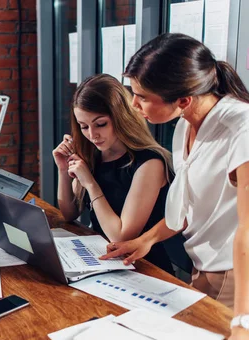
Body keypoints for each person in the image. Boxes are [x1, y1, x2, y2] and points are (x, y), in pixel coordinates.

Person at [101, 33, 249, 340]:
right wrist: (146, 240)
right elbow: (189, 206)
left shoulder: (247, 127)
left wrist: (247, 321)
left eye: (142, 97)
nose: (133, 106)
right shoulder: (185, 124)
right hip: (205, 264)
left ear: (183, 99)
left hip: (237, 269)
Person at [53, 73, 174, 274]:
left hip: (143, 267)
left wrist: (90, 183)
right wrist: (63, 170)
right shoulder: (95, 155)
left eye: (100, 124)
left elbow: (120, 236)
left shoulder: (150, 162)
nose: (92, 135)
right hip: (103, 259)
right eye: (84, 127)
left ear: (121, 117)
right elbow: (69, 213)